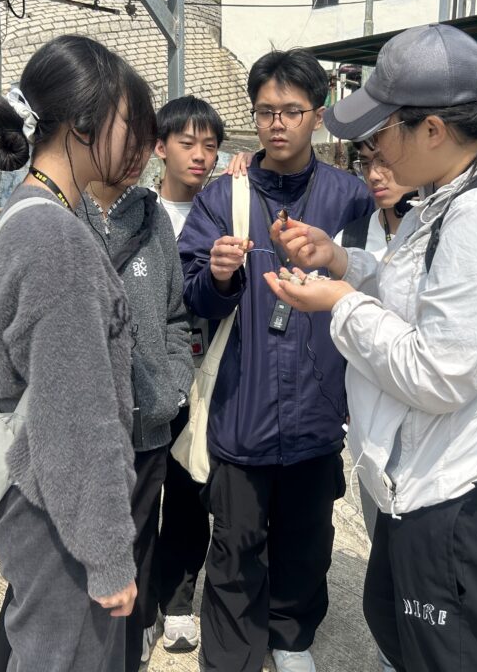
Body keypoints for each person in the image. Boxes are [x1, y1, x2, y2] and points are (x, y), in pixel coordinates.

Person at [265, 23, 477, 672]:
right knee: (398, 632)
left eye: (381, 133)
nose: (373, 153)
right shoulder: (447, 202)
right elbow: (419, 299)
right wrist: (342, 262)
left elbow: (440, 373)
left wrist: (340, 302)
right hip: (431, 479)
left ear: (433, 130)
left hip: (468, 492)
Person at [178, 48, 374, 672]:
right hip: (242, 407)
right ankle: (231, 657)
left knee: (307, 540)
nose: (277, 124)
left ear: (318, 113)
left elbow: (378, 285)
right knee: (235, 546)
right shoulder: (222, 198)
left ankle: (292, 640)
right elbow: (191, 295)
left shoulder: (350, 198)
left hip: (319, 409)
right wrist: (218, 277)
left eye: (291, 110)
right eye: (265, 112)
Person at [0, 34, 157, 672]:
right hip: (59, 516)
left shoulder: (30, 211)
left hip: (40, 501)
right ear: (84, 125)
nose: (141, 145)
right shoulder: (57, 241)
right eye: (130, 124)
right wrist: (109, 559)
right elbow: (78, 419)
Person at [79, 124, 195, 671]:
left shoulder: (154, 219)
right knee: (80, 551)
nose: (134, 156)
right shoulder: (60, 214)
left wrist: (173, 387)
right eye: (122, 139)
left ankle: (131, 648)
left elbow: (175, 316)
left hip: (148, 422)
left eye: (141, 144)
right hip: (81, 431)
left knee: (140, 542)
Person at [335, 140, 417, 672]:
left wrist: (342, 299)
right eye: (368, 163)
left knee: (421, 566)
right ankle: (392, 656)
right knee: (382, 549)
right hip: (369, 429)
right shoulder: (353, 232)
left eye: (388, 161)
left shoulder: (449, 230)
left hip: (427, 431)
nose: (376, 174)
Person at [152, 96, 225, 654]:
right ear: (160, 147)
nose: (200, 156)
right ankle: (135, 603)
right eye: (187, 143)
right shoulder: (140, 212)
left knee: (188, 490)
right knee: (135, 493)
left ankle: (177, 601)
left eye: (211, 146)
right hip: (145, 375)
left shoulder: (222, 210)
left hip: (202, 375)